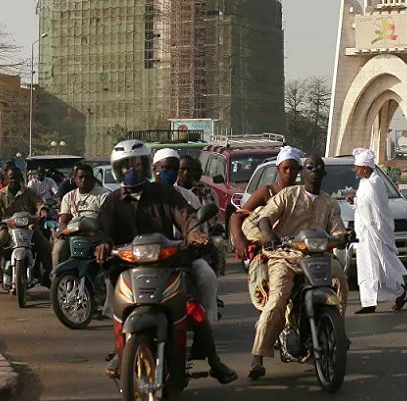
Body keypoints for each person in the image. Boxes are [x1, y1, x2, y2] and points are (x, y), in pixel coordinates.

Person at [94, 139, 236, 383]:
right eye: (125, 166)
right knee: (116, 299)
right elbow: (102, 229)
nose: (132, 171)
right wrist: (103, 243)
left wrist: (194, 233)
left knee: (193, 308)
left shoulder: (165, 193)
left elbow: (186, 216)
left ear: (147, 166)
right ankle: (121, 350)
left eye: (137, 165)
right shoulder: (112, 201)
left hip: (168, 262)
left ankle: (214, 361)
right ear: (117, 170)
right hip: (127, 265)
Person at [243, 155, 349, 380]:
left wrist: (341, 238)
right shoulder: (288, 195)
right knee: (278, 298)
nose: (315, 171)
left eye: (319, 168)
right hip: (285, 256)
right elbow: (265, 218)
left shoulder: (330, 203)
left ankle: (337, 330)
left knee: (340, 279)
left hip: (318, 256)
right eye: (310, 167)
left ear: (324, 173)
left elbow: (338, 230)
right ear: (304, 171)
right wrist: (269, 233)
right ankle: (258, 355)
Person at [349, 148, 407, 314]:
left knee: (383, 266)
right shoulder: (365, 183)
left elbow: (375, 210)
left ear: (366, 168)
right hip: (364, 233)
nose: (356, 170)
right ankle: (368, 302)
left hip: (375, 232)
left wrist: (357, 203)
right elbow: (364, 204)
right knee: (367, 267)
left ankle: (399, 292)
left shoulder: (375, 183)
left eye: (358, 167)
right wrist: (355, 201)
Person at [230, 146, 303, 261]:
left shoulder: (301, 194)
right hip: (268, 250)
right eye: (285, 168)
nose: (289, 172)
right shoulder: (267, 192)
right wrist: (239, 240)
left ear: (299, 170)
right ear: (278, 169)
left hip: (295, 250)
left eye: (293, 169)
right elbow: (237, 216)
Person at [0, 168, 53, 285]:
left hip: (29, 227)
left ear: (20, 178)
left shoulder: (29, 192)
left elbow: (39, 203)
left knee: (46, 247)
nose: (14, 180)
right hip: (8, 228)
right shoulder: (0, 194)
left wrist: (43, 211)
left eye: (16, 177)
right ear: (7, 179)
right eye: (11, 178)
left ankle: (48, 274)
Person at [52, 164, 110, 270]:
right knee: (58, 250)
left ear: (93, 179)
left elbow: (106, 219)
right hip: (73, 234)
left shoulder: (103, 194)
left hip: (96, 233)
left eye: (87, 178)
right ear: (75, 180)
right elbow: (64, 221)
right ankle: (57, 278)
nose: (84, 180)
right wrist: (63, 232)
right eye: (81, 177)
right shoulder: (68, 197)